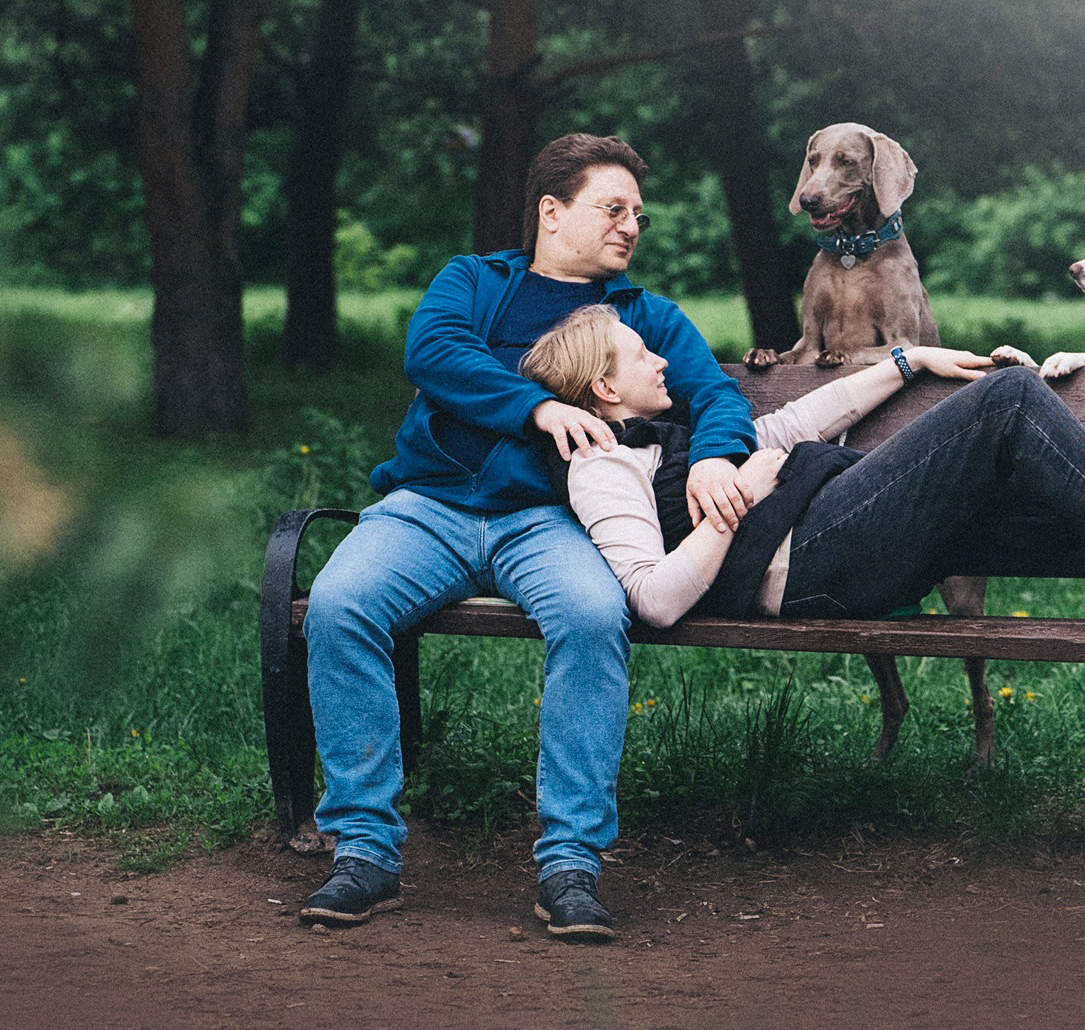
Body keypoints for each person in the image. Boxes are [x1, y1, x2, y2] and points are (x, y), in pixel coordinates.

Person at [297, 134, 756, 942]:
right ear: (552, 212)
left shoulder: (644, 316)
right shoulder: (476, 282)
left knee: (592, 615)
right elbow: (433, 351)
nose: (631, 226)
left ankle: (571, 862)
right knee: (339, 605)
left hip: (549, 521)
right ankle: (364, 850)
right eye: (612, 209)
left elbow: (716, 394)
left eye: (638, 215)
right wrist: (537, 407)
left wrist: (718, 454)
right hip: (429, 507)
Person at [518, 304, 1085, 633]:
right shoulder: (601, 466)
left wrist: (905, 362)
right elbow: (653, 601)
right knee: (1009, 399)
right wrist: (734, 505)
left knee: (1071, 488)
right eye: (640, 356)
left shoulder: (668, 430)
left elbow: (788, 422)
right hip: (814, 561)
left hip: (833, 526)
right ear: (604, 387)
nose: (662, 361)